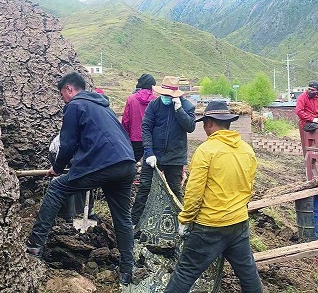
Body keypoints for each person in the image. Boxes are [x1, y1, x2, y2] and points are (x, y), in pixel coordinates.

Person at [25, 72, 136, 285]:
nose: (63, 100)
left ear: (69, 89)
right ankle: (127, 270)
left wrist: (57, 168)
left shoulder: (75, 105)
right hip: (126, 163)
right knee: (122, 218)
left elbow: (68, 143)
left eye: (62, 95)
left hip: (104, 164)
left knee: (57, 188)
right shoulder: (103, 107)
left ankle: (34, 244)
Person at [165, 101, 262, 293]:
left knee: (185, 273)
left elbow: (194, 192)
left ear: (209, 123)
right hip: (239, 223)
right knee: (248, 273)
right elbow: (248, 187)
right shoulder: (246, 150)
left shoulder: (206, 151)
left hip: (210, 226)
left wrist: (185, 220)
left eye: (204, 124)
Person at [132, 76, 196, 228]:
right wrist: (148, 151)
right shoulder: (154, 105)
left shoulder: (186, 106)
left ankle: (180, 224)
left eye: (169, 96)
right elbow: (146, 127)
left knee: (175, 190)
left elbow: (190, 127)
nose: (166, 98)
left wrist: (179, 110)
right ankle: (134, 222)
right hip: (154, 155)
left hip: (175, 157)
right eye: (164, 95)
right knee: (145, 187)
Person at [122, 74, 156, 164]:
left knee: (132, 161)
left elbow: (126, 120)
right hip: (152, 138)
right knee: (151, 164)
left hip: (135, 137)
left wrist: (126, 136)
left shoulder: (131, 99)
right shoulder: (156, 100)